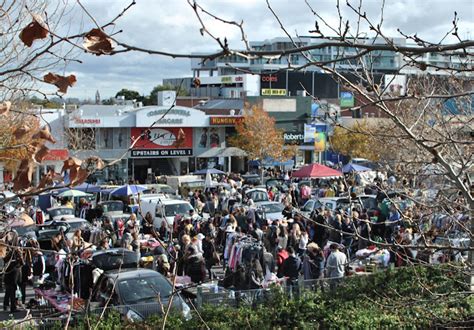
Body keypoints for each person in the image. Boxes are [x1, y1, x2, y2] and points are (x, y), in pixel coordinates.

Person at [3, 232, 23, 313]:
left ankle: (6, 305)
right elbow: (21, 262)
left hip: (9, 274)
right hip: (12, 274)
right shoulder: (11, 251)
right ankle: (12, 307)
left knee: (9, 291)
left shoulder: (9, 250)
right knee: (11, 291)